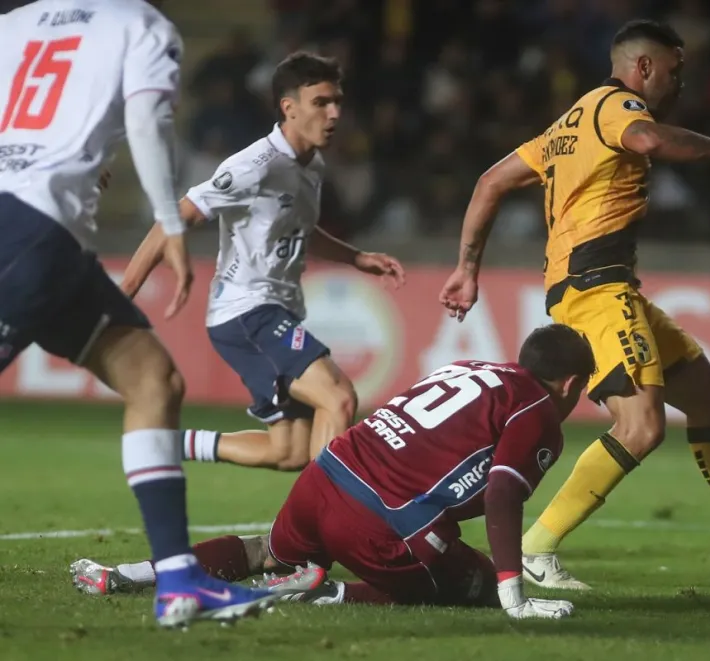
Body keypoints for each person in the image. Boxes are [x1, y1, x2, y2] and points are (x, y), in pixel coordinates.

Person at [439, 20, 710, 590]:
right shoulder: (616, 106)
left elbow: (490, 182)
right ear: (643, 67)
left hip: (607, 286)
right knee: (641, 427)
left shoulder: (570, 124)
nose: (679, 83)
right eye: (674, 70)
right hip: (596, 289)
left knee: (708, 399)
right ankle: (536, 547)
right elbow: (648, 140)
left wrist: (467, 269)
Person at [0, 0, 275, 626]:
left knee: (153, 378)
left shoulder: (9, 26)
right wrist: (168, 220)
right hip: (31, 235)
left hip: (44, 236)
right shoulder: (139, 25)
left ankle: (180, 582)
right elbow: (148, 119)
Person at [72, 324, 595, 620]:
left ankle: (124, 575)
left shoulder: (468, 367)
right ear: (570, 384)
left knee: (265, 551)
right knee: (471, 582)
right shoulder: (538, 410)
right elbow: (504, 492)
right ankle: (320, 592)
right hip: (381, 520)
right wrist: (513, 594)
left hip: (325, 475)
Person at [121, 52, 406, 472]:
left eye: (338, 102)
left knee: (289, 451)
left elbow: (301, 230)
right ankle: (327, 524)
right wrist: (122, 297)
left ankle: (161, 445)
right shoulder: (256, 165)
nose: (334, 114)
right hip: (247, 312)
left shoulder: (312, 164)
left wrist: (356, 258)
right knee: (338, 396)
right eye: (322, 103)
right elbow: (175, 216)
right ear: (289, 108)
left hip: (274, 310)